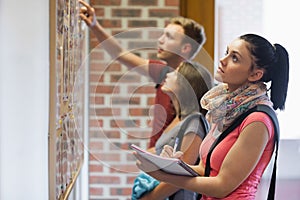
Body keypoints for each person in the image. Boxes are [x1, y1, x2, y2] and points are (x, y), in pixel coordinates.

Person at [134, 33, 289, 199]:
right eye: (226, 53)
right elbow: (205, 169)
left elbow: (222, 186)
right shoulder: (224, 109)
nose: (223, 60)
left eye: (235, 58)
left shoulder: (257, 120)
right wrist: (173, 166)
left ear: (255, 75)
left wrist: (164, 176)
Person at [79, 0, 206, 148]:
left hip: (163, 162)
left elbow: (188, 129)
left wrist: (153, 153)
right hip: (153, 158)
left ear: (185, 48)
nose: (160, 40)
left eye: (169, 37)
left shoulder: (191, 84)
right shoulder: (163, 71)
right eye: (162, 35)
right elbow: (121, 54)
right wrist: (94, 25)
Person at [132, 61, 213, 200]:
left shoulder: (194, 122)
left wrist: (149, 198)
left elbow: (183, 177)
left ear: (185, 85)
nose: (168, 74)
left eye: (175, 73)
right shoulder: (179, 117)